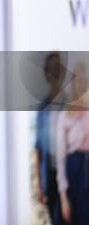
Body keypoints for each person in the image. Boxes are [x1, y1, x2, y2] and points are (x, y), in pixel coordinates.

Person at [34, 52, 66, 225]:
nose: (54, 75)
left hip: (69, 174)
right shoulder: (42, 108)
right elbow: (38, 147)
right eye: (51, 71)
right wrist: (40, 184)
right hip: (50, 173)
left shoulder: (71, 105)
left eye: (58, 71)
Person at [56, 62, 89, 225]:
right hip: (73, 168)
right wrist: (63, 198)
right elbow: (60, 158)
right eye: (78, 81)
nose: (81, 84)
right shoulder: (65, 115)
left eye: (85, 80)